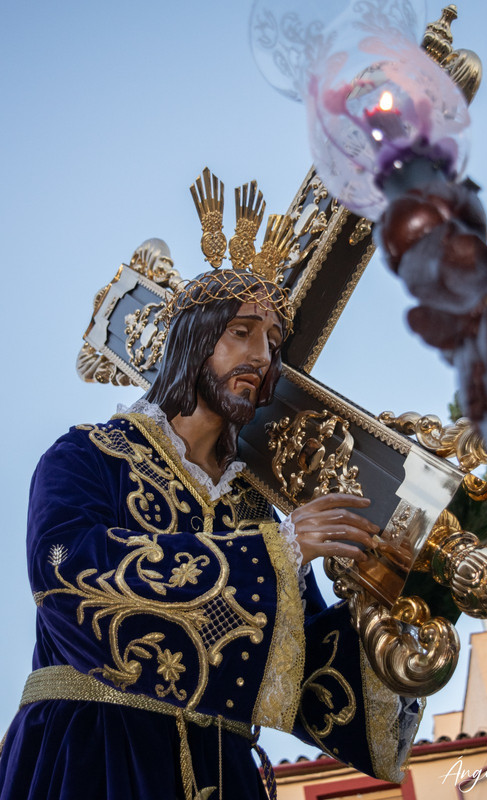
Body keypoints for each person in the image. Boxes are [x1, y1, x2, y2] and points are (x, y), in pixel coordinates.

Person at [0, 269, 421, 800]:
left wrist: (396, 605)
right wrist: (279, 551)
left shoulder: (256, 510)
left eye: (272, 341)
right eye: (241, 332)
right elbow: (68, 574)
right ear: (192, 341)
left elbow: (312, 675)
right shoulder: (89, 455)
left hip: (221, 771)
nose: (263, 356)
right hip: (98, 752)